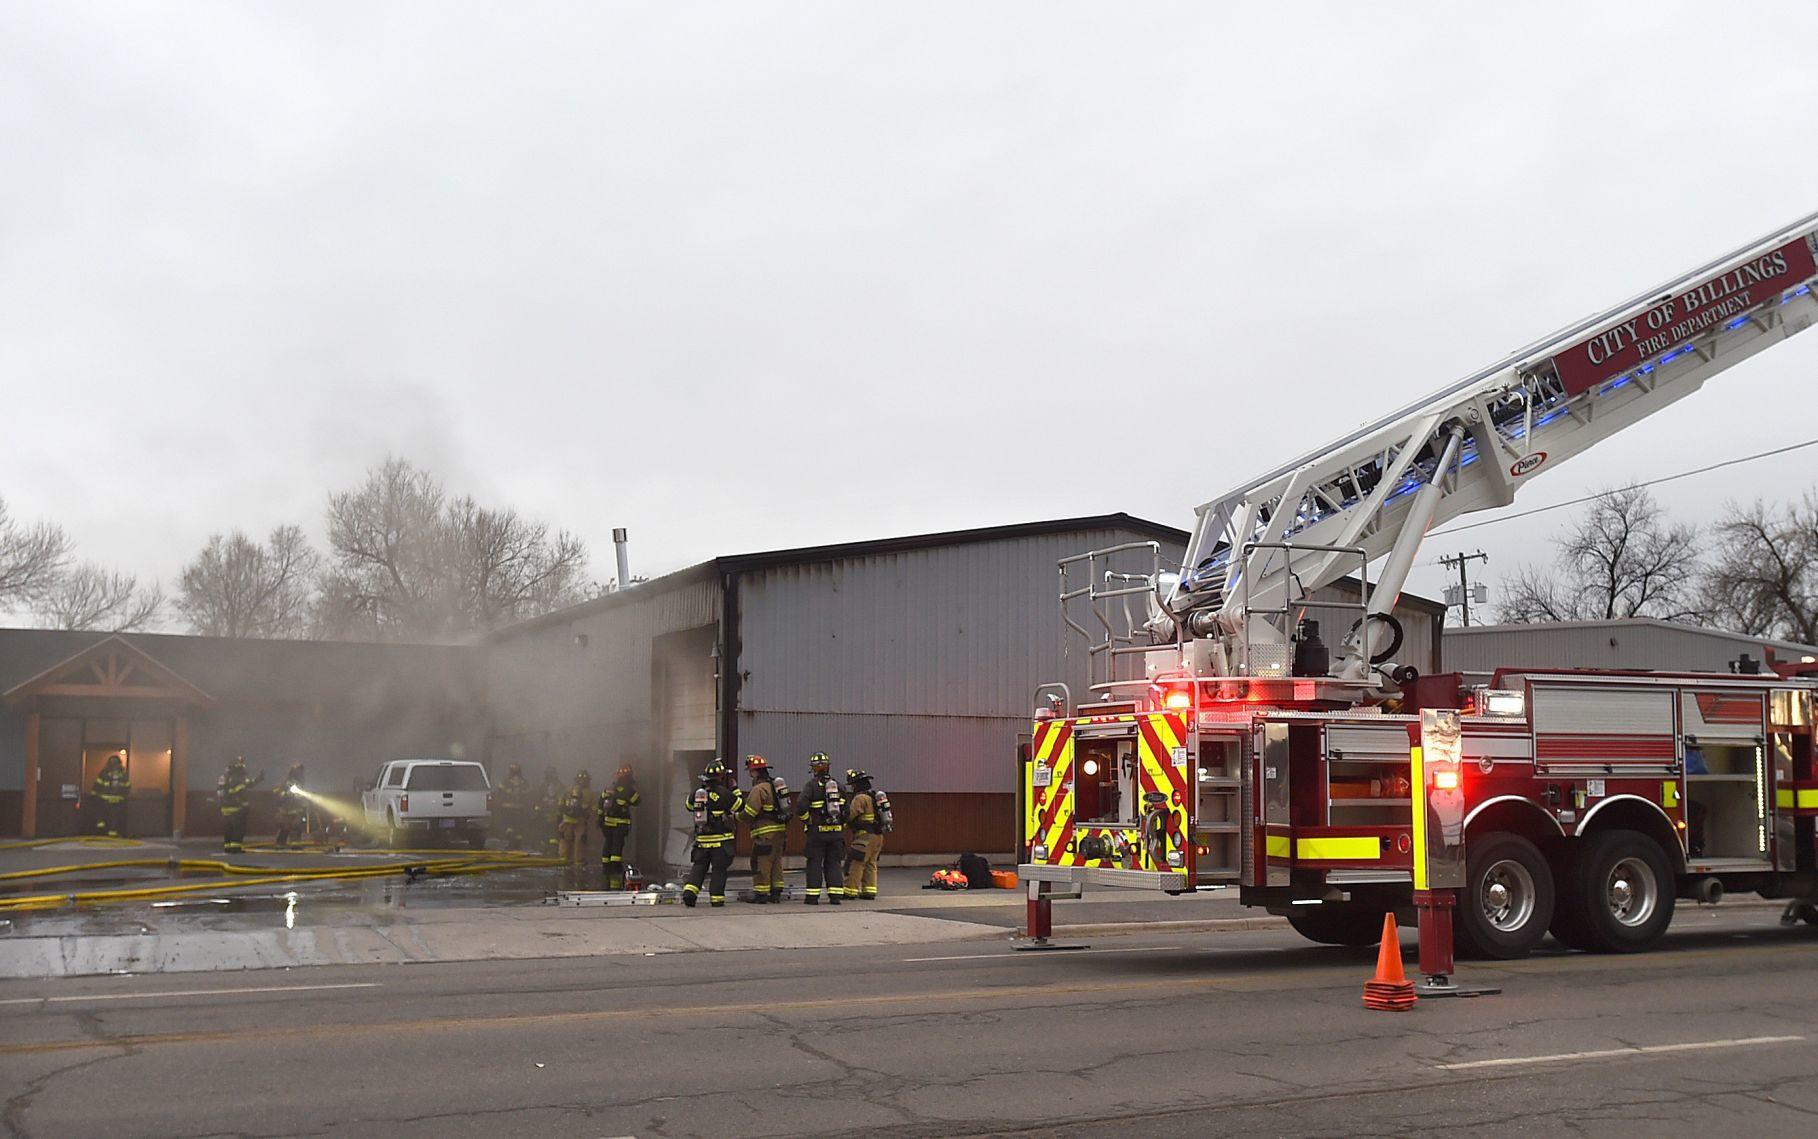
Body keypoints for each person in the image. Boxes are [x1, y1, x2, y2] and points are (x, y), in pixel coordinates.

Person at [682, 760, 742, 908]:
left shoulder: (698, 794)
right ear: (720, 776)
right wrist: (735, 790)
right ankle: (716, 900)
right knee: (719, 871)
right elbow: (740, 806)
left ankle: (690, 894)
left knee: (698, 867)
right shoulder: (725, 793)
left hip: (702, 840)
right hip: (721, 841)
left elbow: (688, 806)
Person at [739, 755, 790, 902]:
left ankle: (761, 894)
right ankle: (776, 893)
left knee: (761, 862)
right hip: (780, 833)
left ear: (755, 772)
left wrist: (736, 817)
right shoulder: (775, 787)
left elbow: (749, 813)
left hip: (765, 834)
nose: (750, 774)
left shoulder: (759, 790)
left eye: (750, 772)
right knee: (776, 863)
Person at [798, 752, 846, 905]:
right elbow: (847, 811)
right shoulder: (838, 786)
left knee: (814, 863)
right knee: (834, 863)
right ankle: (836, 896)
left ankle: (812, 897)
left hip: (817, 833)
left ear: (813, 768)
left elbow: (800, 807)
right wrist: (839, 826)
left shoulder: (811, 786)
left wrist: (808, 821)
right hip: (836, 833)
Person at [843, 768, 890, 901]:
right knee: (871, 863)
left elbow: (850, 816)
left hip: (864, 837)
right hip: (878, 836)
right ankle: (869, 891)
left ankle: (850, 891)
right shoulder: (873, 797)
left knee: (856, 863)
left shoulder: (860, 798)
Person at [596, 762, 640, 890]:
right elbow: (637, 801)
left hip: (607, 822)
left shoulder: (609, 788)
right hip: (621, 823)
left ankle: (606, 867)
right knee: (617, 845)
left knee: (608, 843)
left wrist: (600, 819)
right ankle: (615, 868)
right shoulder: (628, 790)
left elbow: (600, 803)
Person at [219, 756, 261, 854]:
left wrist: (258, 779)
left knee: (228, 828)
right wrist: (244, 805)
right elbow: (245, 787)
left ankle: (228, 847)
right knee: (239, 828)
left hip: (225, 808)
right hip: (237, 808)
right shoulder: (238, 777)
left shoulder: (225, 777)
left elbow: (222, 791)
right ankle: (236, 848)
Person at [88, 753, 131, 838]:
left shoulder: (104, 773)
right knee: (114, 819)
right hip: (118, 801)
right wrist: (124, 796)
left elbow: (97, 785)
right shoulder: (123, 774)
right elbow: (128, 787)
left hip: (105, 800)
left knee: (102, 817)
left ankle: (101, 833)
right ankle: (112, 835)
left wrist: (93, 795)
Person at [557, 770, 592, 868]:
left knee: (569, 841)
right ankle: (576, 862)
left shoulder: (568, 790)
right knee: (577, 841)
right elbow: (592, 808)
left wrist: (561, 816)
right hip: (577, 822)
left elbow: (560, 805)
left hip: (571, 821)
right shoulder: (588, 792)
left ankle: (565, 860)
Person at [496, 762, 532, 850]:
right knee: (518, 828)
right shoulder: (525, 782)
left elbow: (500, 792)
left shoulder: (505, 781)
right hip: (520, 809)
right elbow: (529, 794)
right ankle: (517, 845)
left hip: (507, 809)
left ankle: (512, 844)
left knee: (509, 827)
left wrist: (499, 804)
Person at [273, 763, 308, 848]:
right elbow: (276, 791)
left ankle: (295, 845)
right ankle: (280, 844)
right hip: (285, 811)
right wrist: (285, 793)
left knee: (296, 827)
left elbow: (302, 796)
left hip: (296, 810)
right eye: (298, 771)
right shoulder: (286, 782)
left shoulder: (300, 783)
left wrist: (305, 806)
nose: (300, 773)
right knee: (284, 828)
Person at [537, 766, 565, 854]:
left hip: (555, 812)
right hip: (544, 812)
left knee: (554, 830)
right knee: (544, 829)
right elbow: (539, 797)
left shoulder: (560, 785)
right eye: (549, 773)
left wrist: (557, 801)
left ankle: (553, 848)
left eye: (552, 773)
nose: (550, 775)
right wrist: (539, 806)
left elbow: (562, 796)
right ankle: (544, 847)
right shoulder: (543, 785)